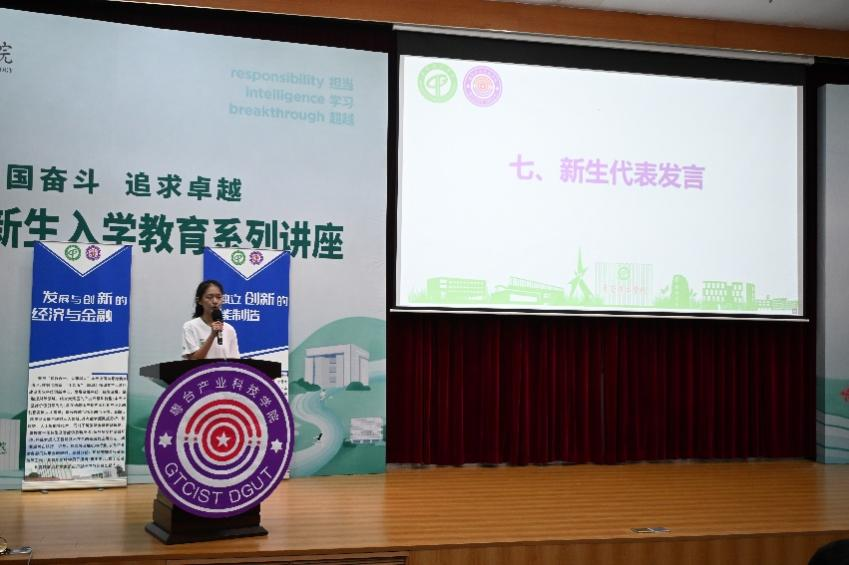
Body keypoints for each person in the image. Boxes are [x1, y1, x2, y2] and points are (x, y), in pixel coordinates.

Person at [182, 280, 240, 360]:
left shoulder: (229, 329)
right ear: (199, 301)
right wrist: (212, 335)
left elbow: (234, 361)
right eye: (209, 297)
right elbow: (193, 359)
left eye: (218, 297)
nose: (215, 301)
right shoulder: (190, 326)